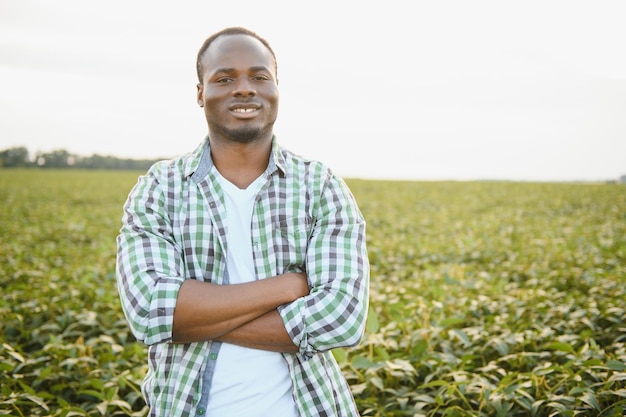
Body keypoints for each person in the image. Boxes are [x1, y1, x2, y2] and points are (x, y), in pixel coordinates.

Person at [116, 26, 370, 417]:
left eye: (259, 76)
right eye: (224, 78)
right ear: (200, 93)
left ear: (276, 89)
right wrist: (287, 286)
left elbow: (341, 318)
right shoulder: (160, 188)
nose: (244, 88)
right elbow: (150, 311)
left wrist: (190, 318)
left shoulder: (320, 186)